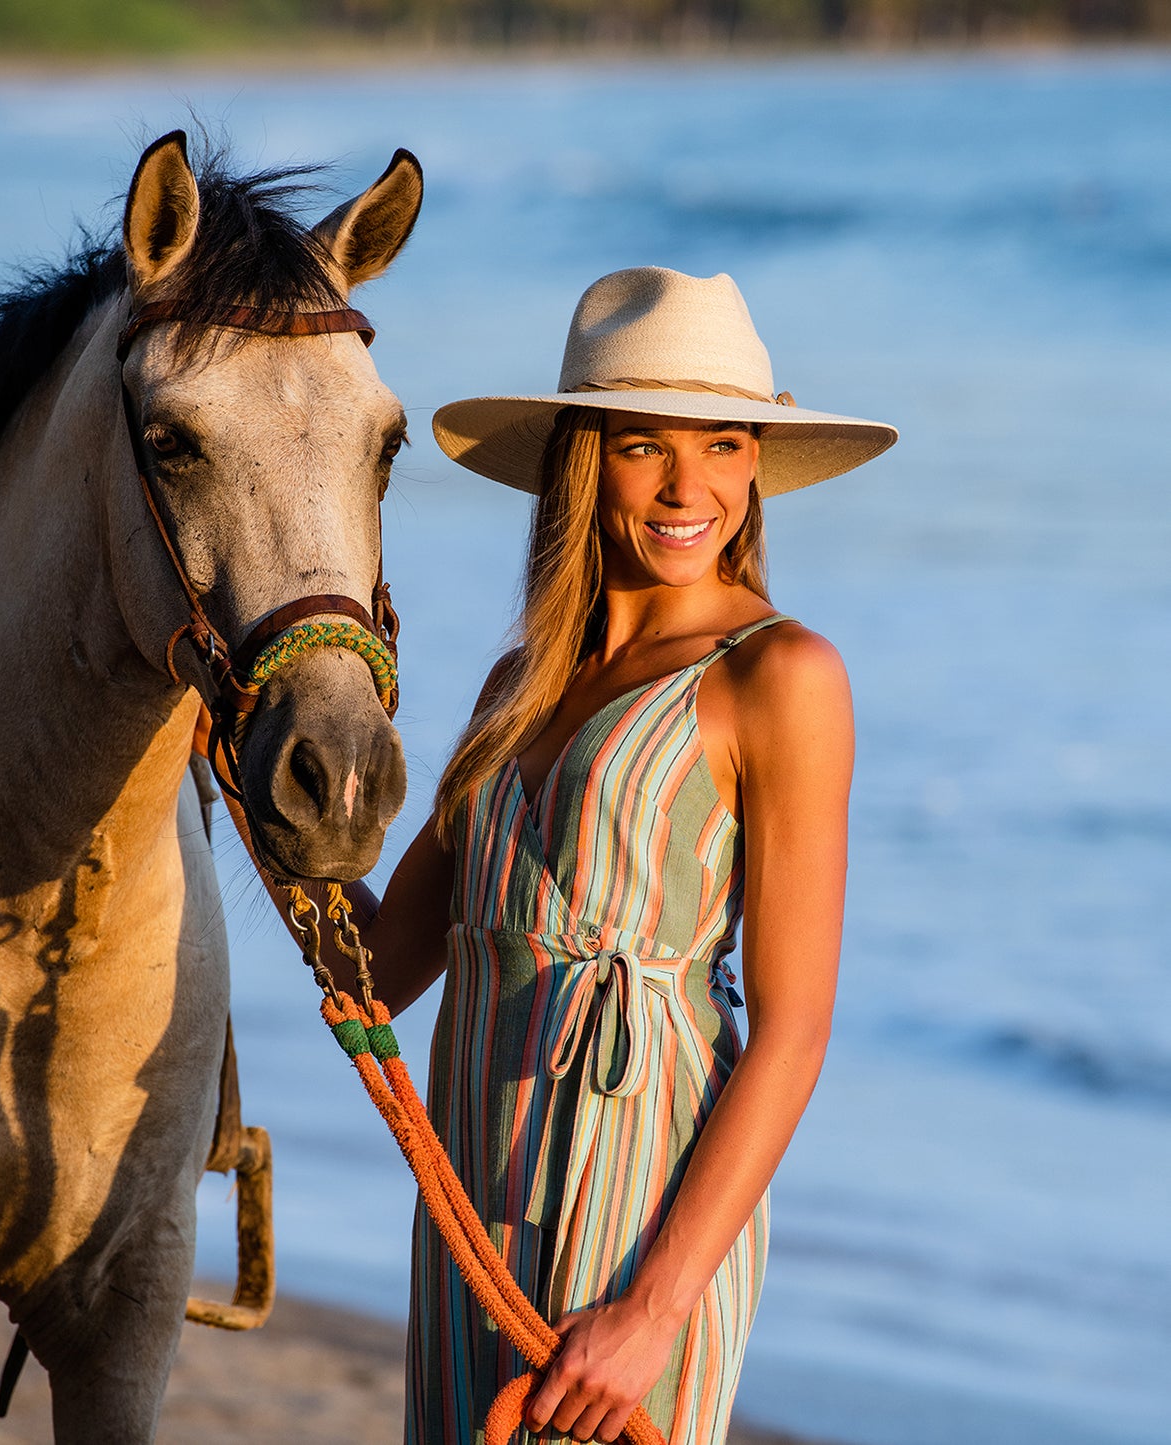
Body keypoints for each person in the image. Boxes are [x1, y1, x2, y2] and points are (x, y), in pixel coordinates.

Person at [237, 267, 896, 1445]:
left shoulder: (780, 676)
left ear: (755, 464)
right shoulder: (514, 687)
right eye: (645, 445)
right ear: (583, 461)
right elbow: (379, 970)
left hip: (644, 1207)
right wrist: (249, 750)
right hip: (470, 1203)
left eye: (725, 445)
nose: (689, 486)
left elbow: (792, 1030)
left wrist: (653, 1306)